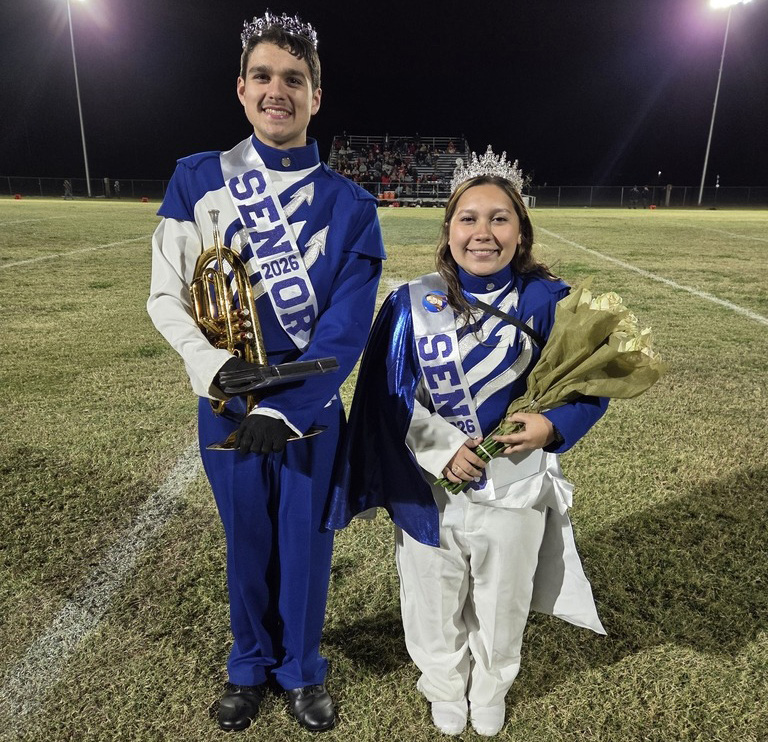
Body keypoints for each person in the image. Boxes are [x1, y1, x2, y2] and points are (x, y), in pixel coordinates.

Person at [147, 11, 385, 734]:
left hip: (307, 406)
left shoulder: (354, 207)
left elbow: (345, 329)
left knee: (306, 542)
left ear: (316, 95)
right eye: (263, 76)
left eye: (294, 79)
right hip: (224, 397)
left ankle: (303, 668)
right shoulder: (197, 179)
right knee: (246, 536)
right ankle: (248, 664)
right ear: (241, 90)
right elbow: (165, 293)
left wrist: (286, 406)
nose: (276, 90)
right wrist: (220, 372)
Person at [329, 148, 608, 737]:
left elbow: (590, 380)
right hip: (428, 492)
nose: (483, 232)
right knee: (430, 600)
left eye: (499, 218)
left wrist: (553, 426)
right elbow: (385, 397)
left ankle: (492, 681)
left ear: (521, 231)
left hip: (515, 489)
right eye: (469, 218)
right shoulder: (409, 303)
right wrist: (437, 448)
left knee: (504, 602)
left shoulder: (548, 300)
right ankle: (443, 683)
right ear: (448, 230)